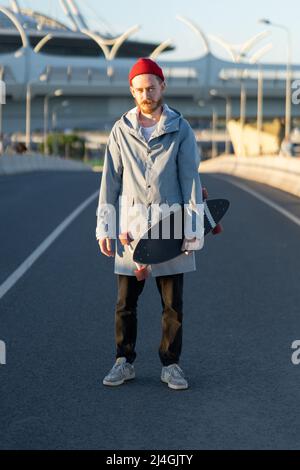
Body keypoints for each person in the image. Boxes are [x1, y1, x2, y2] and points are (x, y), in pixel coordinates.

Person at [96, 58, 204, 390]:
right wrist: (105, 226)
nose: (146, 94)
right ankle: (123, 361)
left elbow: (190, 180)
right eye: (140, 89)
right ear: (132, 91)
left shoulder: (180, 128)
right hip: (131, 231)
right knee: (125, 303)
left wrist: (193, 228)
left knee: (173, 305)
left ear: (162, 86)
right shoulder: (120, 130)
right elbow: (110, 182)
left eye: (152, 87)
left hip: (170, 229)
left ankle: (171, 366)